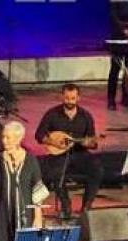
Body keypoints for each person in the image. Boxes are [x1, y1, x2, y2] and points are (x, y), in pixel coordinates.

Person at [34, 83, 102, 220]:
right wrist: (54, 143)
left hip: (79, 153)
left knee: (97, 169)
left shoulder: (85, 116)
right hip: (59, 154)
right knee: (56, 174)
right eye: (67, 98)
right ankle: (66, 206)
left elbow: (92, 142)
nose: (70, 101)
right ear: (62, 97)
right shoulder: (52, 114)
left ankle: (86, 207)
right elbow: (39, 135)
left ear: (78, 98)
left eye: (73, 98)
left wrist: (88, 143)